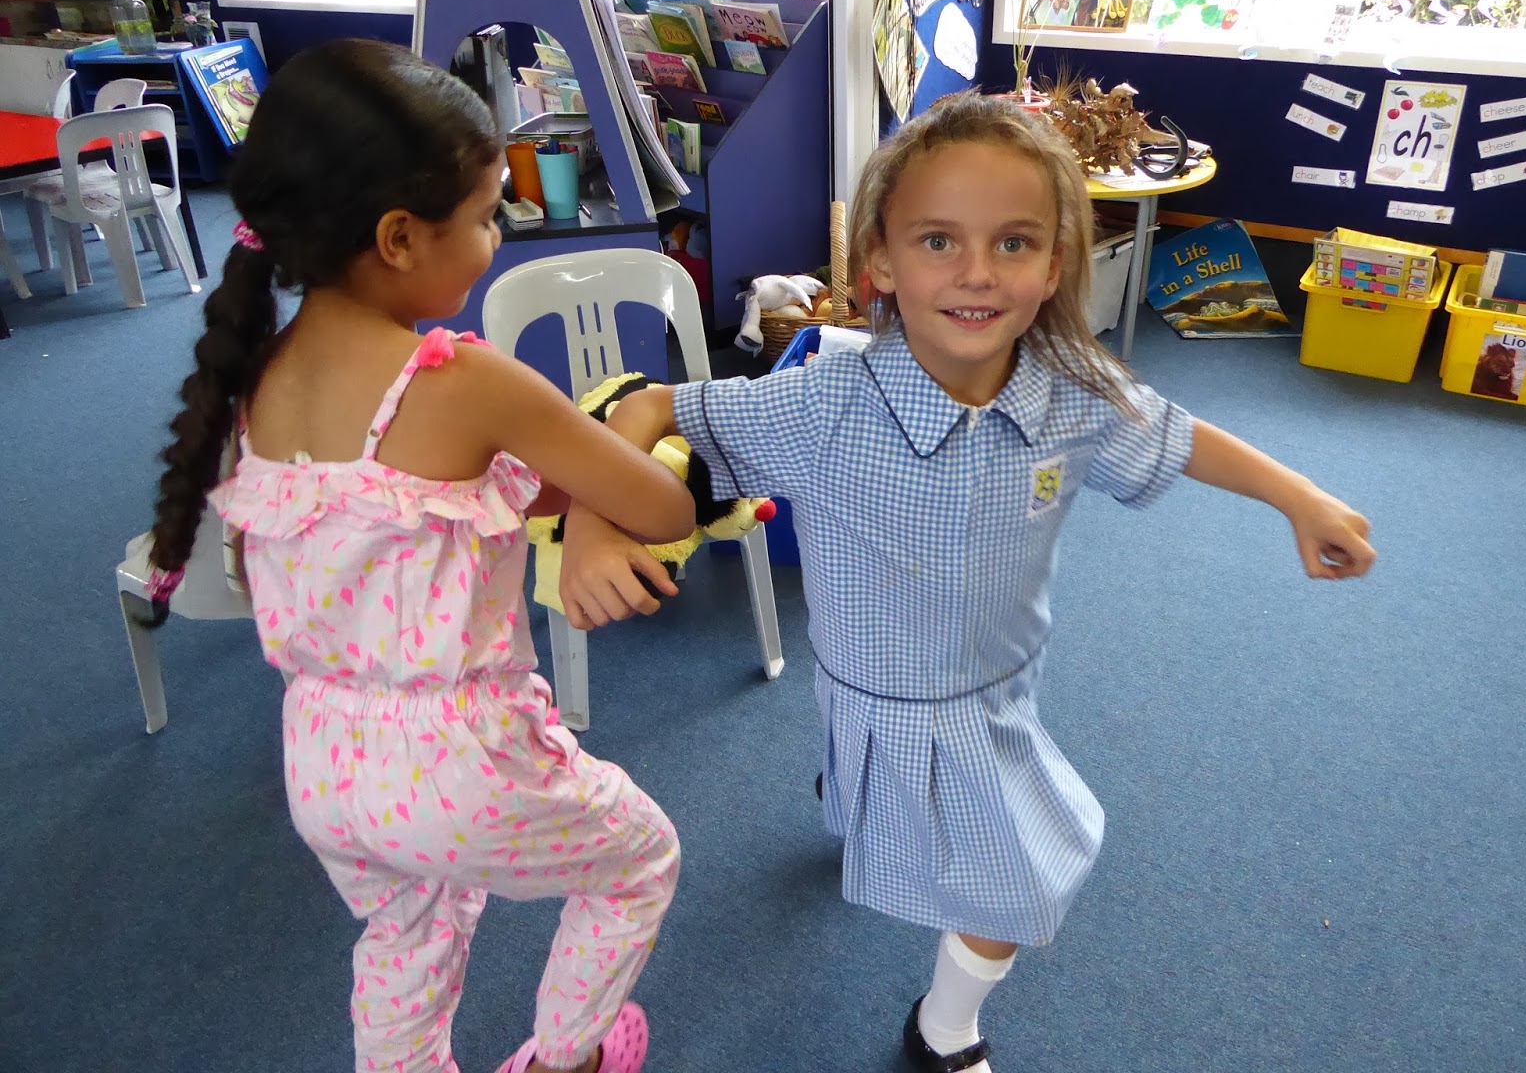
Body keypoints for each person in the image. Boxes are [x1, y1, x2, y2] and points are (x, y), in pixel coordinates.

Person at [562, 92, 1376, 1073]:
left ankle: (859, 805)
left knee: (898, 797)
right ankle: (944, 1031)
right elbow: (649, 406)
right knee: (1020, 885)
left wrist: (1298, 497)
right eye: (938, 240)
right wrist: (589, 527)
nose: (978, 272)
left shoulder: (1074, 391)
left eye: (1014, 242)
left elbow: (1175, 435)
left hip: (1002, 677)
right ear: (880, 261)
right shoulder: (824, 401)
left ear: (1055, 265)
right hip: (879, 685)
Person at [142, 39, 697, 1073]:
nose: (497, 234)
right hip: (463, 762)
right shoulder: (462, 380)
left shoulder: (257, 377)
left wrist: (569, 500)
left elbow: (425, 513)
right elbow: (660, 505)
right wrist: (639, 416)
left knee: (409, 931)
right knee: (638, 861)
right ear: (399, 237)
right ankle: (568, 1059)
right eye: (486, 216)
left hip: (323, 761)